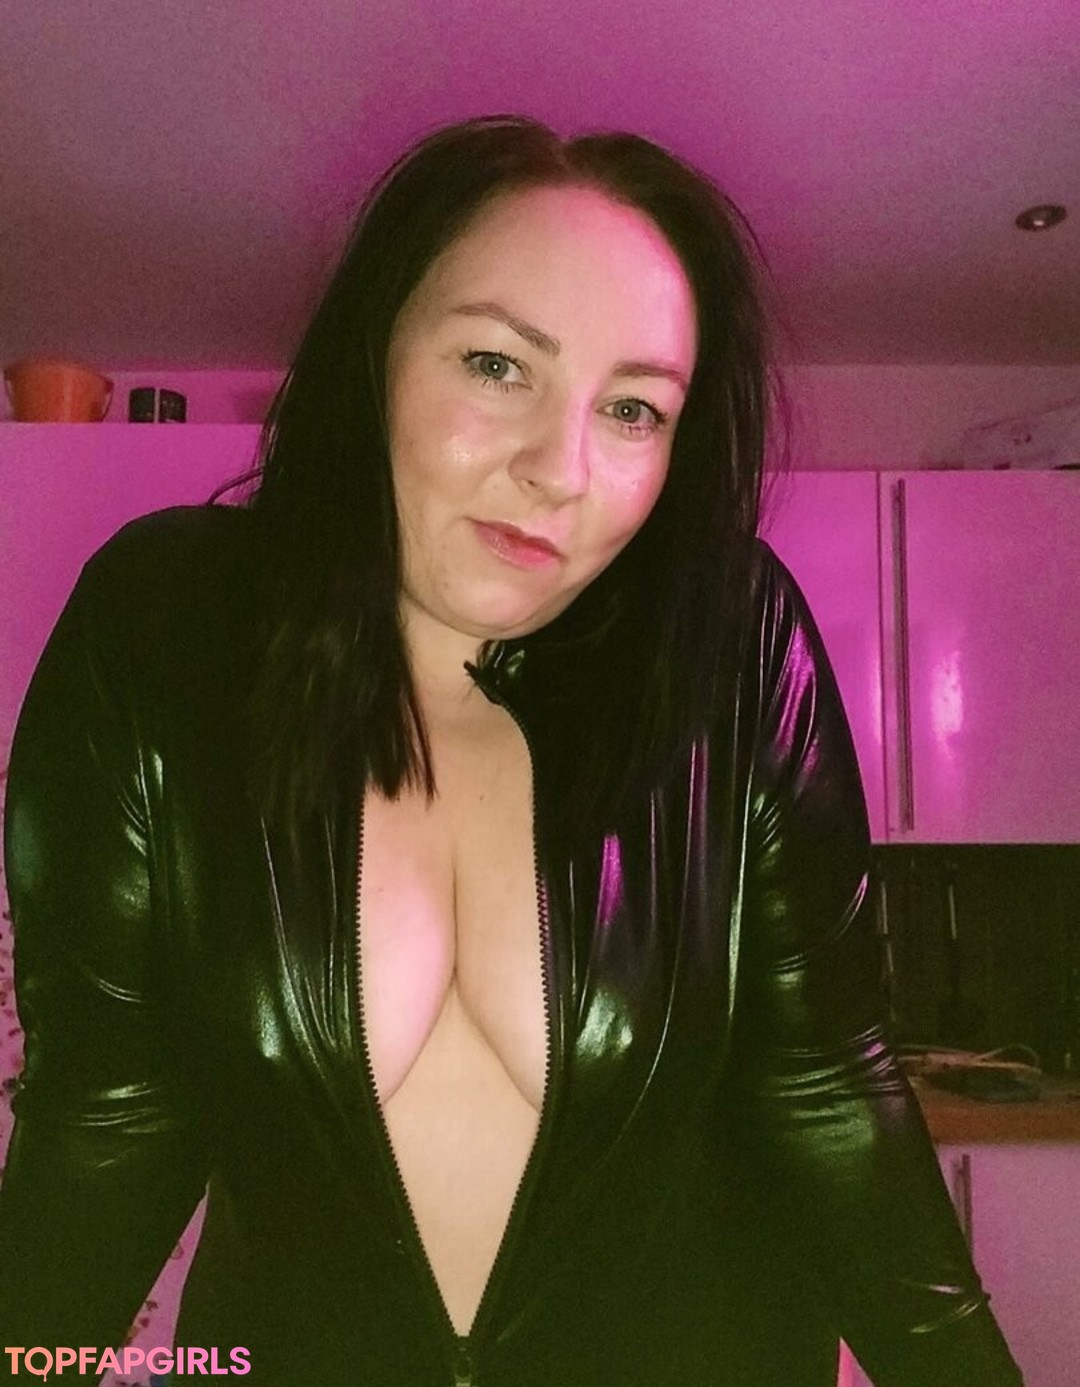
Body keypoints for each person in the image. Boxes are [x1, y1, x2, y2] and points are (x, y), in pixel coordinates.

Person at [0, 115, 1022, 1386]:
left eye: (634, 409)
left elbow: (825, 1090)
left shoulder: (725, 640)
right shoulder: (167, 630)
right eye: (496, 364)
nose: (561, 468)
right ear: (375, 351)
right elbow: (109, 1115)